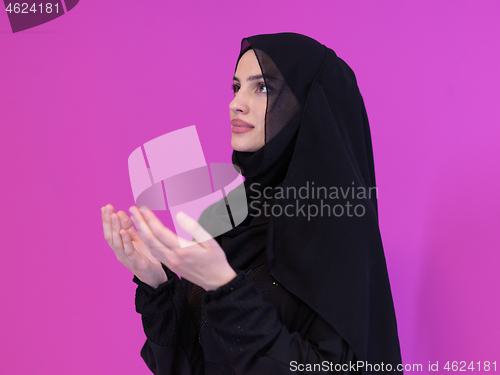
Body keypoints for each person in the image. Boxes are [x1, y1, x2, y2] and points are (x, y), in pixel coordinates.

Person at [102, 32, 403, 374]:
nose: (236, 103)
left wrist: (226, 290)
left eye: (262, 88)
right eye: (236, 87)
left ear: (307, 105)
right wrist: (156, 283)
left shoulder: (335, 226)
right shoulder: (226, 216)